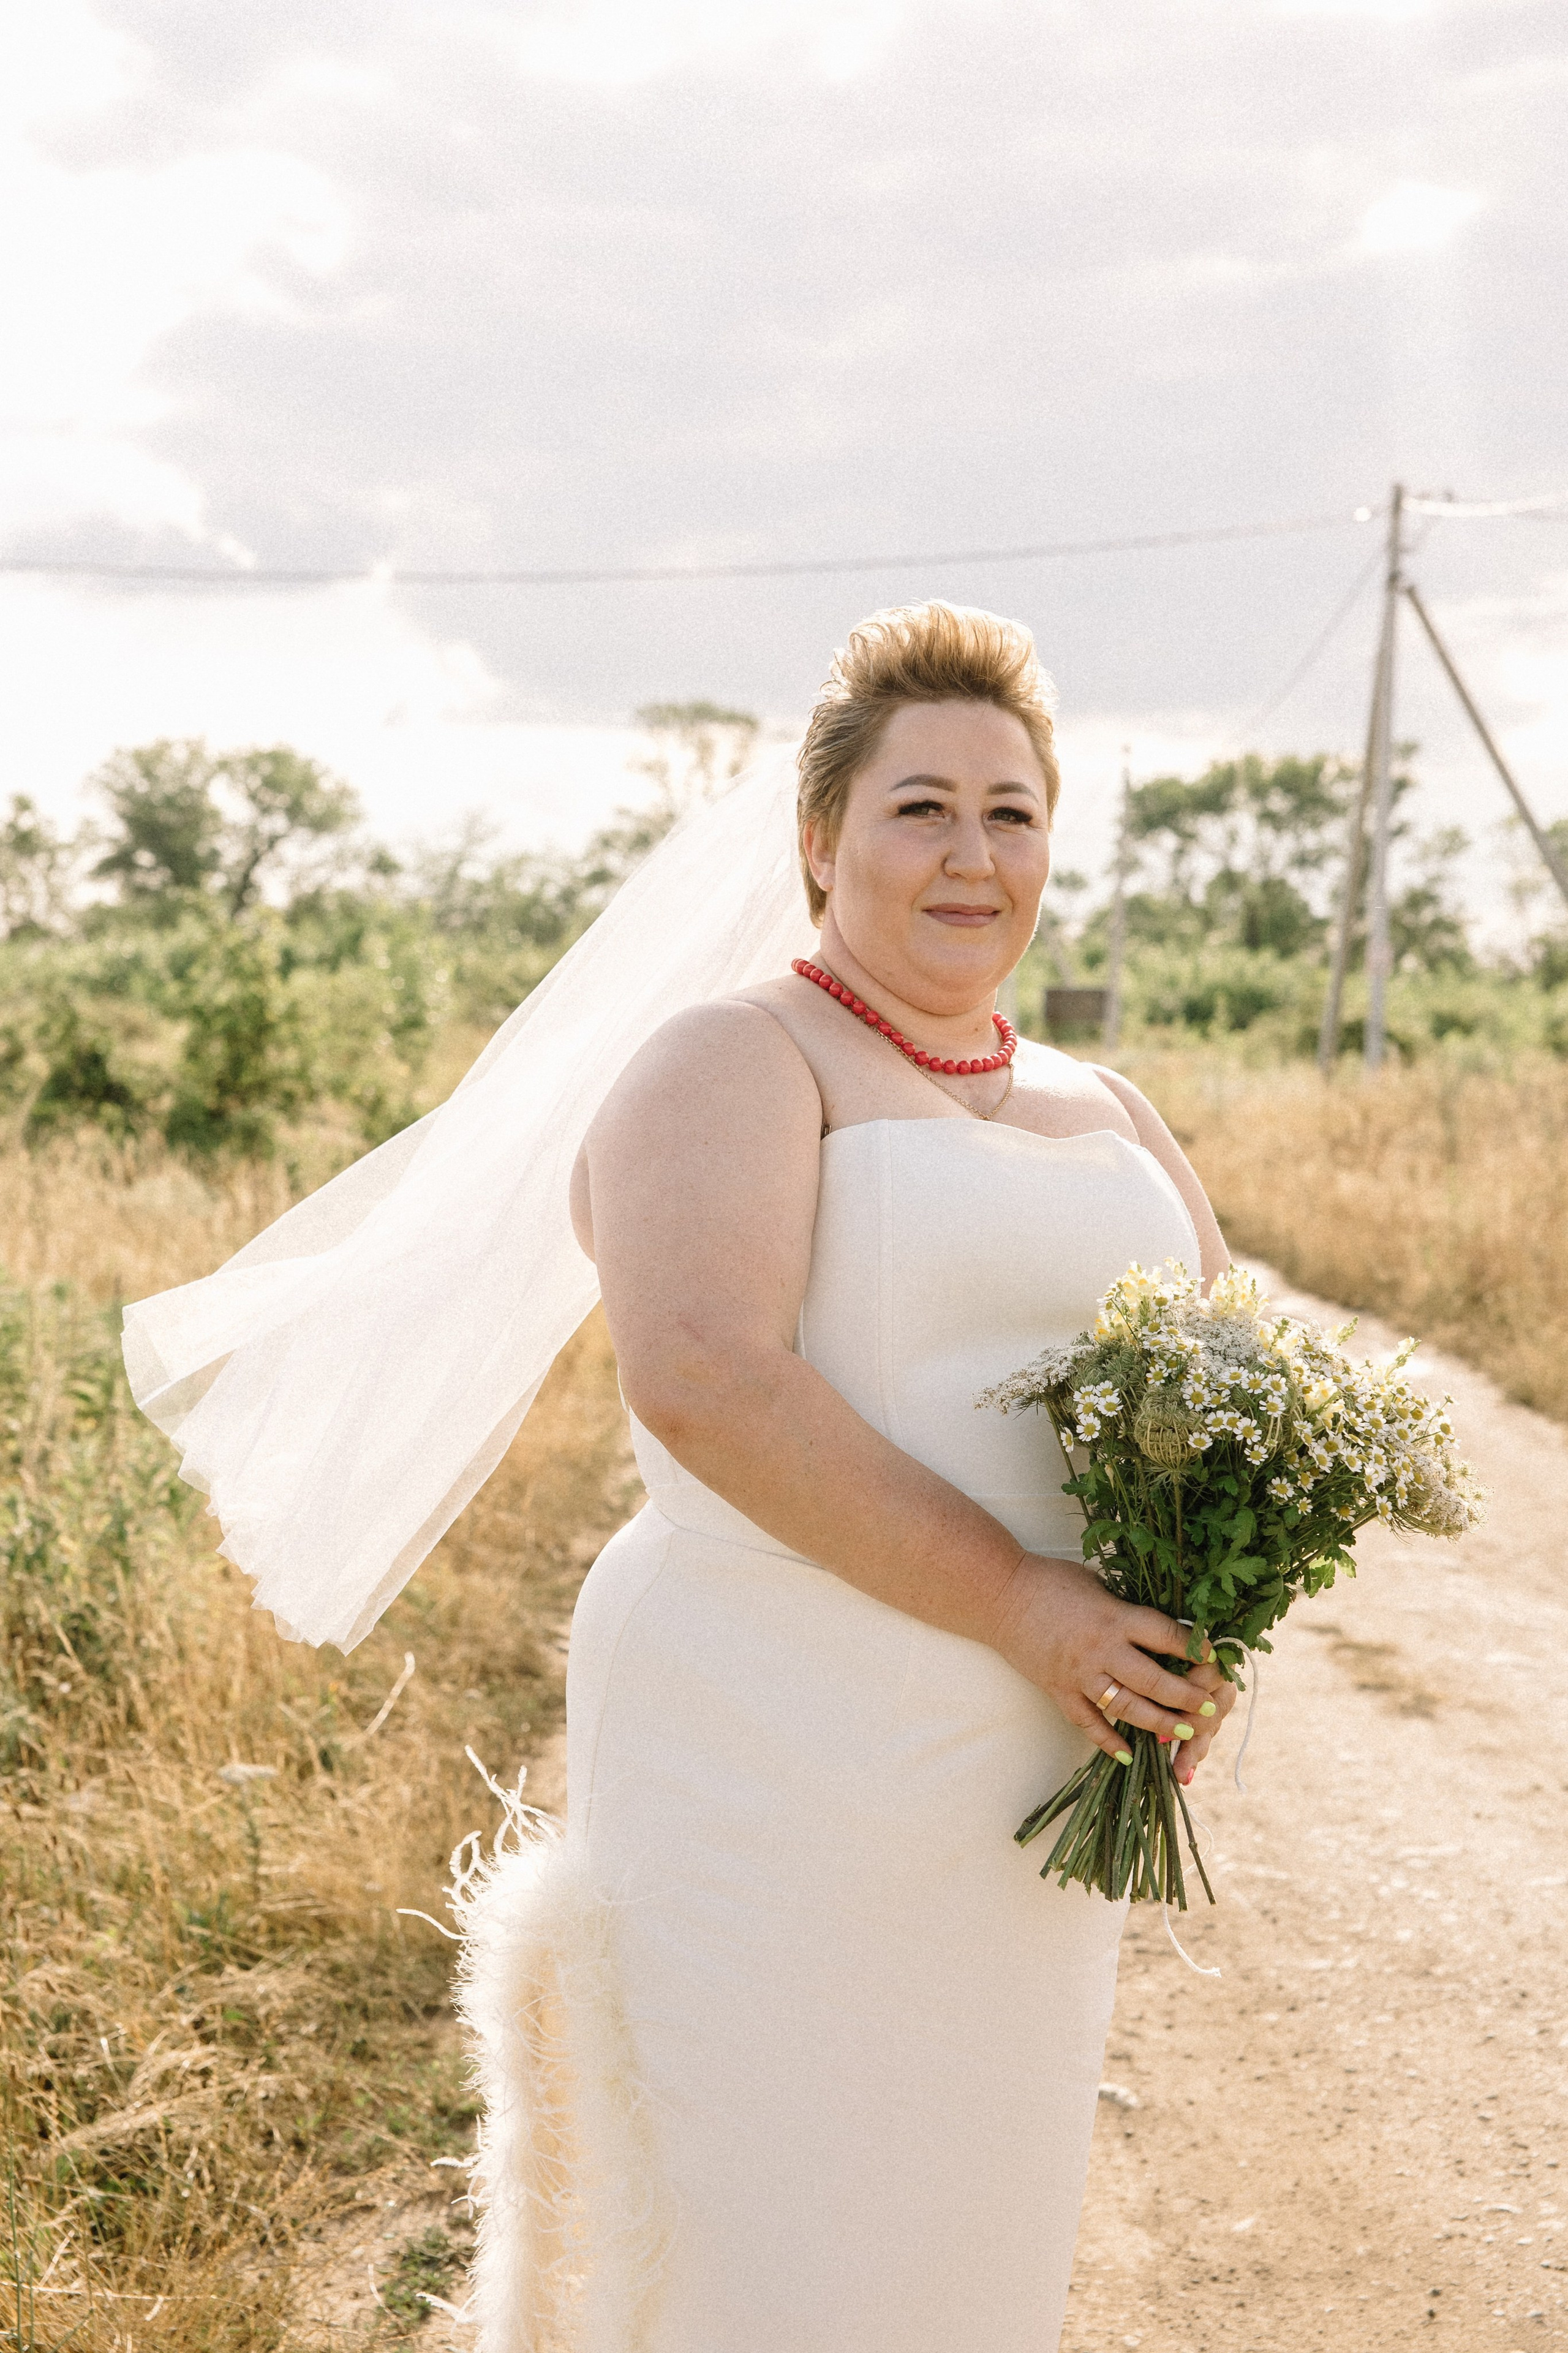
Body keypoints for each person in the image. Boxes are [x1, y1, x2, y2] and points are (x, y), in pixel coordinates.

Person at [462, 602, 1235, 2353]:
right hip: (777, 1746)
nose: (975, 853)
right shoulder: (735, 1060)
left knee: (969, 2231)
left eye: (1014, 811)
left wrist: (1199, 1620)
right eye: (921, 807)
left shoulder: (1106, 1104)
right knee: (769, 2228)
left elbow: (1234, 1396)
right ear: (820, 841)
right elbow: (709, 1379)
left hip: (1027, 1784)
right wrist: (1030, 1601)